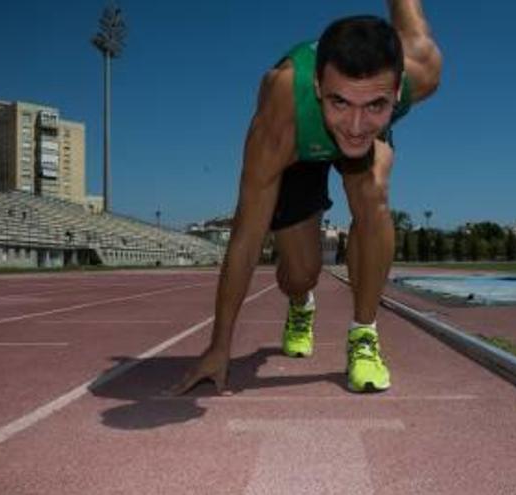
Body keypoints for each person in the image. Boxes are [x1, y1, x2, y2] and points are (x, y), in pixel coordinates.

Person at [169, 0, 441, 395]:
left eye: (377, 105)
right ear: (318, 87)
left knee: (373, 189)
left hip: (352, 142)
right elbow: (246, 238)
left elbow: (408, 17)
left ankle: (364, 336)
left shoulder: (422, 71)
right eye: (339, 102)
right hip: (298, 146)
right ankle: (300, 303)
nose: (355, 125)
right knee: (300, 274)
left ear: (398, 91)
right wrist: (219, 345)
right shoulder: (281, 108)